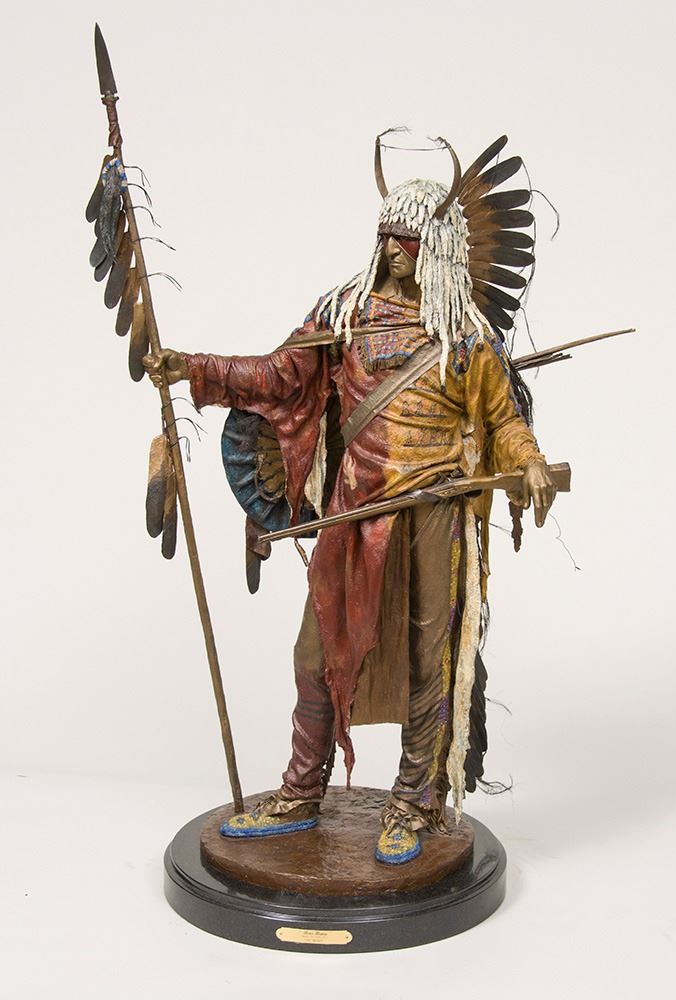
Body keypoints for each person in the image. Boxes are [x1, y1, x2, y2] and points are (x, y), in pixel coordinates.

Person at [144, 134, 557, 865]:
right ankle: (301, 792)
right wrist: (193, 366)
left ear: (438, 247)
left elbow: (503, 422)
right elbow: (276, 374)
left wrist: (528, 465)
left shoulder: (464, 339)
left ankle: (412, 803)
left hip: (434, 515)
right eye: (387, 234)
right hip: (354, 513)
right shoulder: (345, 314)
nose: (394, 248)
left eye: (409, 237)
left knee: (429, 659)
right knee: (315, 652)